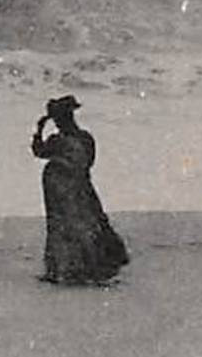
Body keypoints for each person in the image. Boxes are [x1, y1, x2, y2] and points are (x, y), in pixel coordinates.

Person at [30, 95, 128, 285]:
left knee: (66, 224)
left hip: (62, 184)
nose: (59, 122)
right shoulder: (83, 138)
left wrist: (39, 130)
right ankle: (86, 267)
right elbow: (88, 162)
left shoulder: (61, 139)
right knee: (84, 221)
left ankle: (68, 268)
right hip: (74, 184)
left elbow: (39, 151)